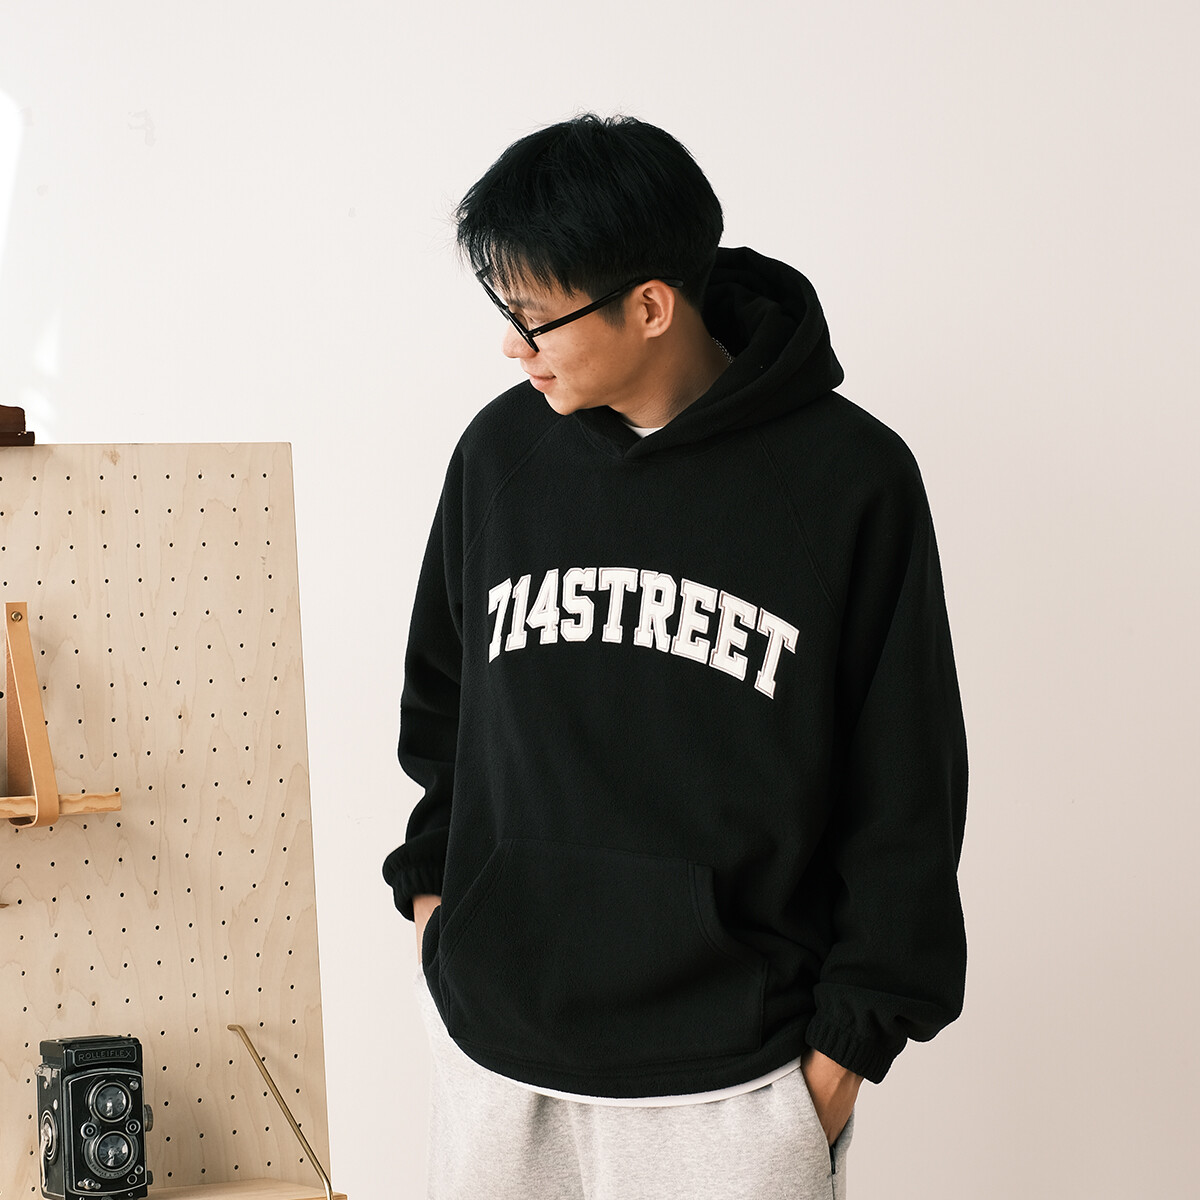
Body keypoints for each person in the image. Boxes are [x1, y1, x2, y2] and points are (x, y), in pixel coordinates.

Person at [383, 113, 968, 1200]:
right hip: (496, 1062)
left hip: (735, 1087)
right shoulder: (501, 455)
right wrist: (435, 914)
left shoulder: (850, 482)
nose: (513, 346)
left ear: (651, 306)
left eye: (536, 316)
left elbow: (907, 792)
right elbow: (442, 708)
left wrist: (840, 1060)